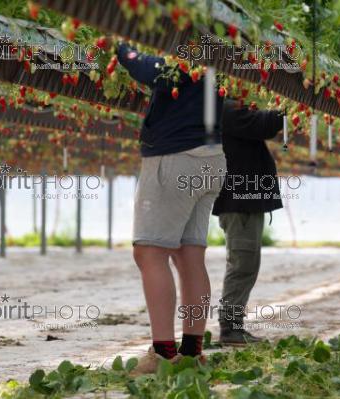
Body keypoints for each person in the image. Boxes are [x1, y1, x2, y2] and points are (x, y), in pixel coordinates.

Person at [116, 42, 225, 374]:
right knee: (189, 255)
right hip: (212, 158)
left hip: (177, 157)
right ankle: (192, 350)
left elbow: (152, 71)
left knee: (150, 253)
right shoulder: (224, 42)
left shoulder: (190, 38)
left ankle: (163, 352)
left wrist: (121, 47)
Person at [212, 100, 284, 345]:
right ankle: (230, 328)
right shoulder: (225, 108)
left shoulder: (225, 108)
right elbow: (263, 124)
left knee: (245, 262)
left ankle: (233, 325)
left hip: (243, 201)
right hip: (239, 202)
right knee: (242, 263)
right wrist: (288, 106)